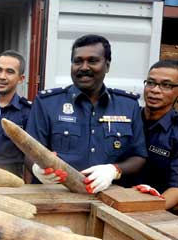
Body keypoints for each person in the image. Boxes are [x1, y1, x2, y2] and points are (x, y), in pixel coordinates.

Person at [26, 34, 147, 193]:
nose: (84, 67)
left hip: (109, 198)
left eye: (92, 61)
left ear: (107, 65)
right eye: (77, 61)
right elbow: (29, 151)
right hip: (55, 196)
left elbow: (139, 157)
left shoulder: (128, 105)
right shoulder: (47, 103)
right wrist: (36, 168)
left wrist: (114, 170)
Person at [137, 59, 178, 209]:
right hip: (114, 200)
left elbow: (176, 188)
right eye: (150, 83)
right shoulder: (128, 120)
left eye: (166, 85)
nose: (155, 90)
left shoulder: (175, 132)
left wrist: (143, 211)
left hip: (157, 209)